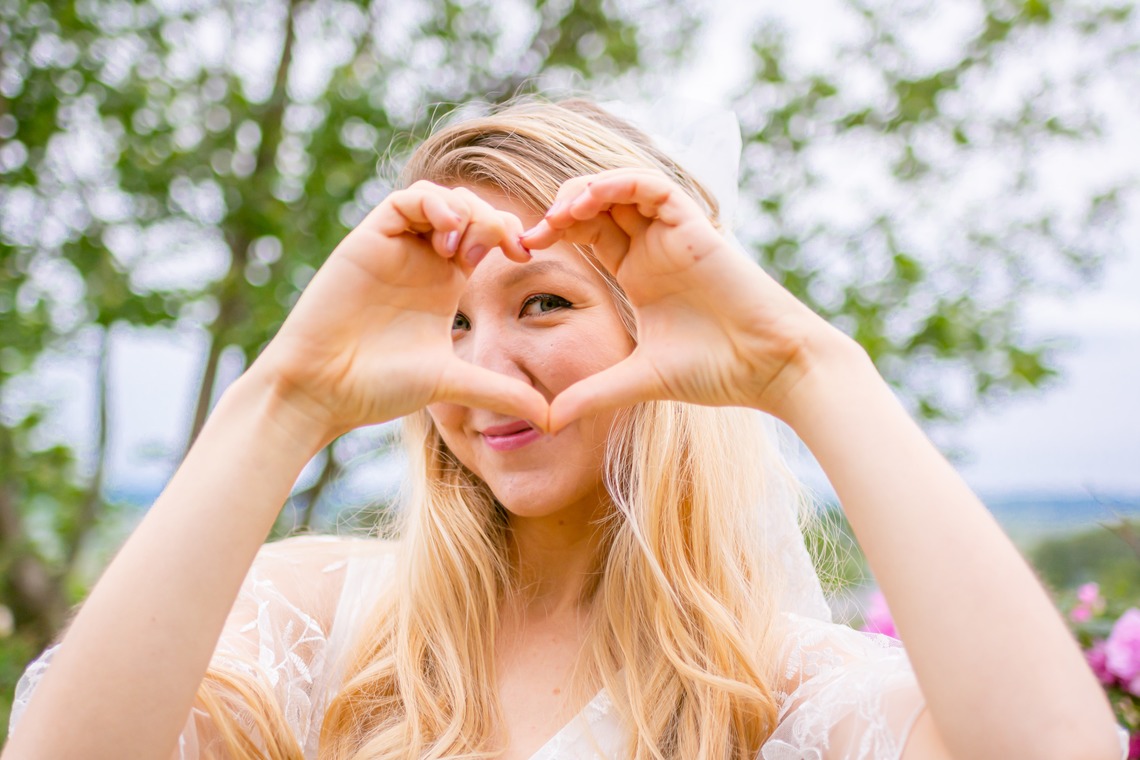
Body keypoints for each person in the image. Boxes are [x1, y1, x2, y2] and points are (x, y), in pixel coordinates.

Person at [3, 98, 1124, 760]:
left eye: (543, 301)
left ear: (665, 328)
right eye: (447, 320)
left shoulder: (784, 695)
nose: (483, 369)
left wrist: (806, 365)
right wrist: (288, 395)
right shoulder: (325, 622)